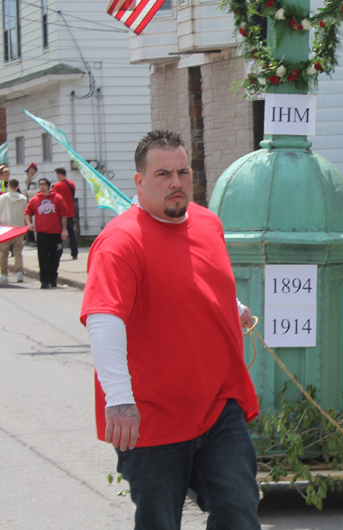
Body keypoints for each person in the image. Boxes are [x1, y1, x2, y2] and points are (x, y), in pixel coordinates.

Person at [80, 130, 261, 530]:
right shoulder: (120, 243)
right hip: (152, 417)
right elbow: (104, 319)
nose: (176, 183)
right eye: (163, 174)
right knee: (160, 523)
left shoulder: (208, 224)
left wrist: (237, 310)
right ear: (139, 181)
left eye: (183, 171)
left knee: (239, 510)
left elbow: (196, 282)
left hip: (217, 406)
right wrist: (120, 401)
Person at [24, 178, 67, 289]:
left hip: (55, 232)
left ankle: (53, 278)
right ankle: (44, 280)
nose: (41, 186)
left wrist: (64, 229)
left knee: (55, 256)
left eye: (43, 184)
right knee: (43, 257)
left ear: (48, 186)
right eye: (40, 184)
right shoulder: (34, 200)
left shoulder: (57, 198)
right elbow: (28, 212)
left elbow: (63, 215)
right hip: (42, 232)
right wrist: (29, 223)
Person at [0, 178, 27, 282]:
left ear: (8, 186)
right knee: (18, 252)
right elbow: (26, 213)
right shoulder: (23, 198)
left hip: (6, 228)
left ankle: (4, 273)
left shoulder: (2, 198)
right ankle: (19, 272)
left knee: (4, 252)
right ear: (17, 186)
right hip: (19, 228)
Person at [53, 167, 78, 260]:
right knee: (71, 233)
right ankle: (74, 252)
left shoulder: (57, 186)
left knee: (59, 233)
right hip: (70, 211)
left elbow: (55, 198)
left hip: (61, 212)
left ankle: (58, 252)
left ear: (59, 174)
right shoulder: (72, 184)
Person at [24, 163, 39, 246]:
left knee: (35, 220)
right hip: (30, 202)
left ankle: (37, 240)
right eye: (30, 170)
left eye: (32, 170)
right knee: (30, 220)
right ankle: (31, 239)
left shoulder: (39, 177)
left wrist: (28, 193)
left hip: (36, 202)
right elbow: (26, 184)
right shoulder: (31, 178)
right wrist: (28, 178)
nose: (31, 171)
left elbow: (39, 190)